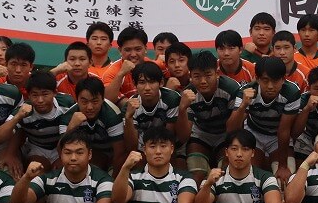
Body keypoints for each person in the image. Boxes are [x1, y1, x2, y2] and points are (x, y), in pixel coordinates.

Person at [225, 56, 300, 181]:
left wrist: (282, 166)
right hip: (254, 134)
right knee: (248, 176)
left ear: (283, 79)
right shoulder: (246, 91)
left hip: (277, 136)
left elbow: (284, 130)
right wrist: (243, 105)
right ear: (257, 79)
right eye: (265, 80)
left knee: (287, 178)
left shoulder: (292, 92)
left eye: (275, 81)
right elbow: (231, 129)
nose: (270, 86)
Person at [182, 50, 240, 178]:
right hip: (200, 134)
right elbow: (183, 136)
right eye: (197, 76)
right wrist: (182, 108)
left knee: (225, 174)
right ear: (190, 76)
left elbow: (233, 128)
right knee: (197, 174)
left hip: (225, 134)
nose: (203, 81)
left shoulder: (231, 88)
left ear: (217, 73)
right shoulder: (188, 94)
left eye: (208, 75)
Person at [58, 76, 126, 174]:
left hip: (109, 155)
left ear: (103, 99)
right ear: (77, 100)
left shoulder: (113, 115)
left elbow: (119, 152)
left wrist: (114, 178)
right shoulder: (68, 117)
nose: (90, 107)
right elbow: (61, 151)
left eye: (95, 101)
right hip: (82, 154)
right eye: (84, 102)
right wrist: (71, 127)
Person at [121, 61, 185, 152]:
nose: (147, 88)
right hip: (143, 149)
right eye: (142, 82)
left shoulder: (172, 99)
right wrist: (128, 118)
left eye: (152, 82)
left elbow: (170, 138)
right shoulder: (129, 107)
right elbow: (131, 146)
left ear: (161, 83)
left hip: (171, 147)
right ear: (135, 84)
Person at [105, 26, 149, 101]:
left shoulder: (154, 66)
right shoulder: (111, 72)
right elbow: (108, 101)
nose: (133, 54)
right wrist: (121, 74)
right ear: (120, 50)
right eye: (128, 50)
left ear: (146, 49)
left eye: (138, 49)